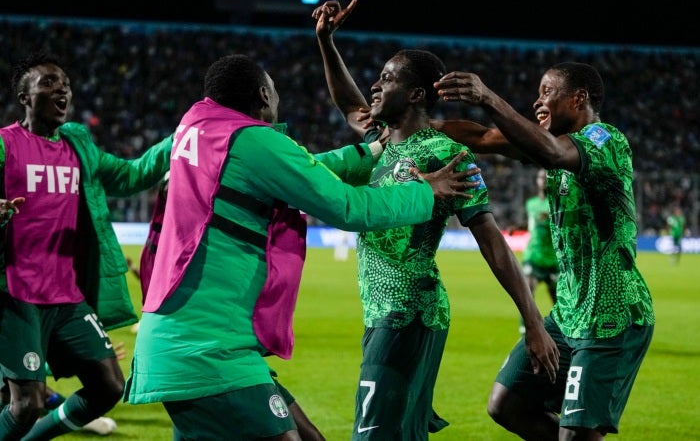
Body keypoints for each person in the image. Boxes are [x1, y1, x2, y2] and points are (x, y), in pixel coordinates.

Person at [123, 52, 475, 441]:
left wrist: (373, 151)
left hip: (193, 337)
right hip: (205, 347)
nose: (279, 97)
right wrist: (424, 192)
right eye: (274, 90)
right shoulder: (252, 140)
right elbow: (348, 206)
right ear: (262, 94)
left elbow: (300, 169)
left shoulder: (200, 127)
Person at [312, 0, 558, 440]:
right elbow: (350, 104)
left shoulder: (444, 151)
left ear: (416, 95)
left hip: (410, 312)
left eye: (387, 79)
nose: (374, 86)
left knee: (372, 434)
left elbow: (490, 238)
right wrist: (326, 42)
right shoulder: (382, 144)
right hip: (381, 312)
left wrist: (534, 322)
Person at [434, 62, 656, 439]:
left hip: (611, 316)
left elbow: (552, 152)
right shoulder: (547, 144)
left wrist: (488, 96)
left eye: (547, 91)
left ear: (579, 97)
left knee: (576, 433)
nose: (538, 100)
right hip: (568, 312)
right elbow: (486, 138)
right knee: (506, 404)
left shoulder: (606, 140)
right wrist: (417, 128)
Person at [0, 50, 171, 440]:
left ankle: (34, 437)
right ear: (24, 97)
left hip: (67, 297)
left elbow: (131, 176)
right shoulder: (5, 145)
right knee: (25, 403)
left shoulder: (79, 147)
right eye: (48, 83)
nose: (62, 90)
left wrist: (181, 137)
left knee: (109, 386)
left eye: (66, 85)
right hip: (16, 294)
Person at [131, 175, 328, 441]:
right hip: (204, 357)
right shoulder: (178, 243)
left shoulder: (216, 229)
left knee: (311, 437)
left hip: (232, 354)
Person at [517, 168, 558, 334]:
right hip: (533, 255)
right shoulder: (531, 203)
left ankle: (563, 329)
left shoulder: (558, 203)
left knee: (558, 299)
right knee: (527, 290)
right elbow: (531, 223)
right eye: (541, 177)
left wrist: (551, 218)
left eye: (547, 177)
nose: (543, 180)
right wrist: (517, 227)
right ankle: (525, 329)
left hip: (553, 259)